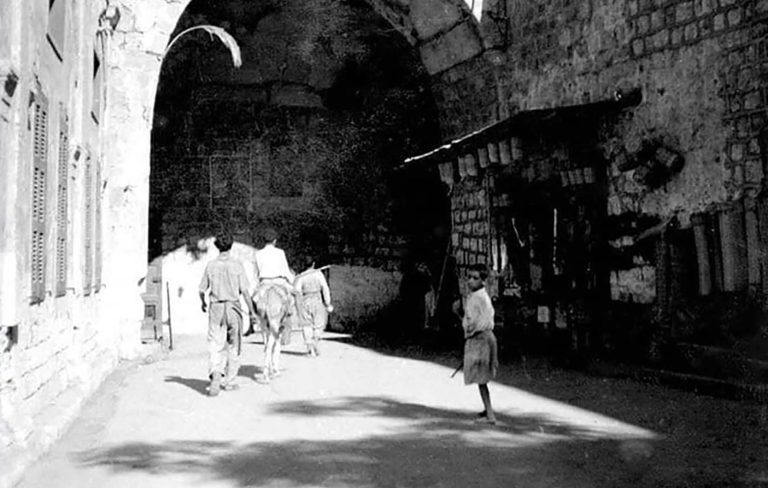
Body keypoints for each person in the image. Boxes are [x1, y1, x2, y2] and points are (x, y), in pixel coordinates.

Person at [199, 231, 257, 397]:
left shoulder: (211, 265)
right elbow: (245, 292)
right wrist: (252, 312)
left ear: (217, 246)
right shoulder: (237, 265)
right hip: (233, 308)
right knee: (234, 345)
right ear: (231, 246)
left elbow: (201, 289)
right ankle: (230, 381)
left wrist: (203, 302)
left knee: (215, 344)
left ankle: (216, 372)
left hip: (216, 308)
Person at [454, 264, 499, 424]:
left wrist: (458, 314)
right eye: (469, 277)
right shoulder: (483, 296)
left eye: (475, 278)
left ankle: (490, 415)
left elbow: (471, 323)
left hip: (480, 340)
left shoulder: (475, 299)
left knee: (481, 379)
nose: (470, 281)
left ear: (483, 281)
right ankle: (487, 409)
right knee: (482, 377)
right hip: (487, 338)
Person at [246, 228, 296, 337]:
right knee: (291, 299)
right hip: (279, 282)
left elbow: (256, 273)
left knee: (253, 299)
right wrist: (293, 280)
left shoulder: (258, 254)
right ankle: (286, 316)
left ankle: (254, 317)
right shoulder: (280, 253)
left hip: (264, 283)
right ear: (275, 241)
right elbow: (285, 271)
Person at [294, 256, 333, 356]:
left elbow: (297, 291)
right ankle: (315, 343)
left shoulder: (301, 276)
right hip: (317, 300)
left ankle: (310, 349)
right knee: (319, 324)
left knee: (306, 325)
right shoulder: (318, 274)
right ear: (313, 264)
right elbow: (325, 288)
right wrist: (327, 302)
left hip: (305, 301)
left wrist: (298, 306)